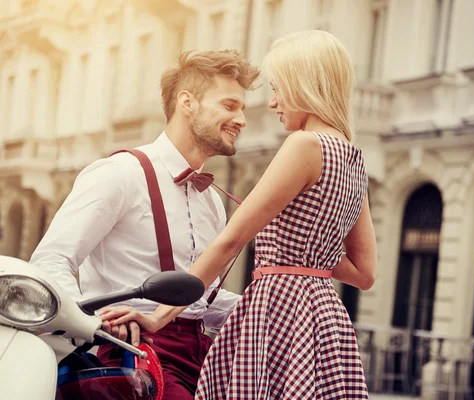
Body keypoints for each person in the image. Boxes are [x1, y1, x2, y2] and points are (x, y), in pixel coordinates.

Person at [101, 30, 377, 399]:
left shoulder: (303, 145)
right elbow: (364, 273)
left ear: (304, 85)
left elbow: (231, 241)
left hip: (279, 309)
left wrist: (156, 317)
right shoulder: (354, 159)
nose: (274, 103)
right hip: (324, 317)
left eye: (279, 88)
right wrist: (306, 246)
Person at [30, 49, 260, 399]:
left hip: (202, 359)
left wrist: (275, 308)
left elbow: (202, 303)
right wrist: (95, 324)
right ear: (187, 102)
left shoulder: (211, 200)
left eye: (242, 108)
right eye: (230, 106)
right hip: (134, 355)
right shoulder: (120, 174)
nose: (242, 119)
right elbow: (51, 260)